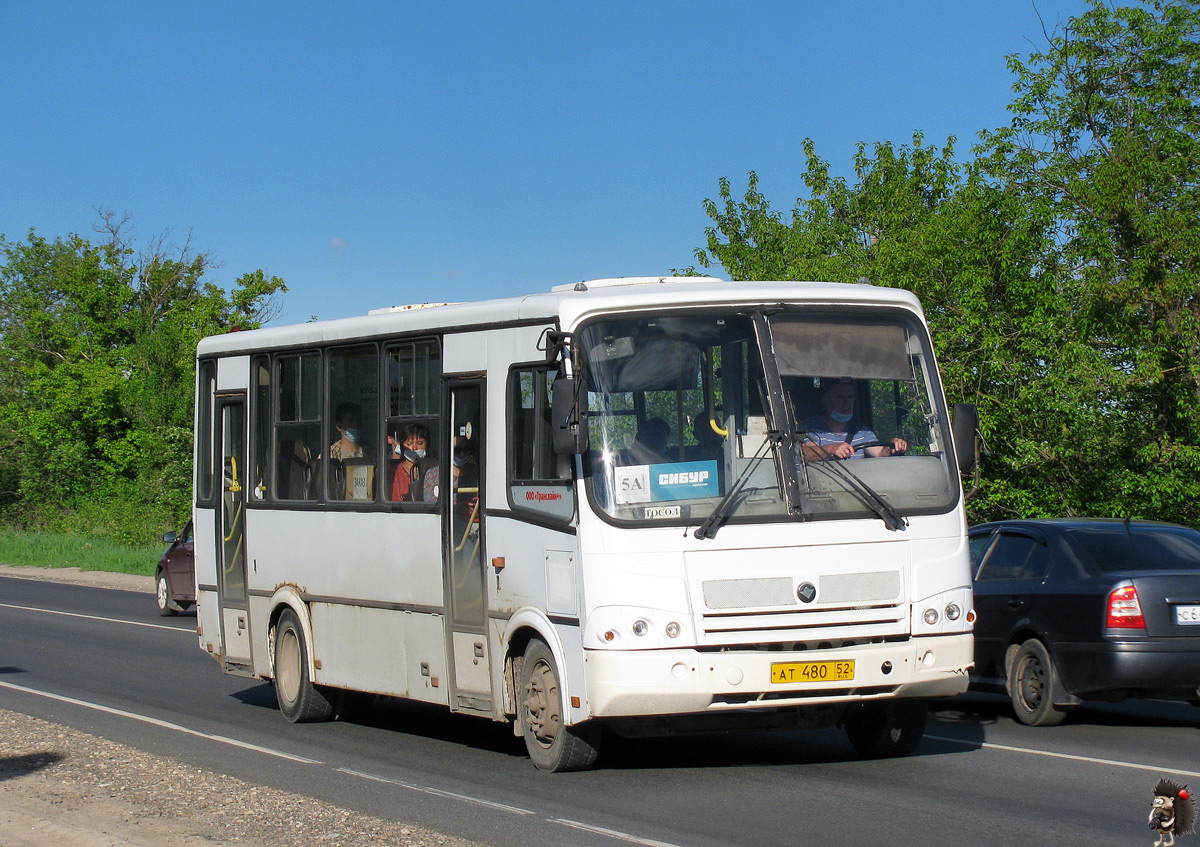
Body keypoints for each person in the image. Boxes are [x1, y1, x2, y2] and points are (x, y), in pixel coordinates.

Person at [798, 380, 907, 460]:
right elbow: (805, 453)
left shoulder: (861, 431)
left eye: (850, 397)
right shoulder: (809, 427)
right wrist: (831, 449)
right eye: (840, 397)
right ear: (827, 400)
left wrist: (893, 448)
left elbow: (879, 452)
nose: (846, 403)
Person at [387, 422, 435, 501]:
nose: (414, 448)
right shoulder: (393, 473)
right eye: (409, 444)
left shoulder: (435, 469)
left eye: (419, 443)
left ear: (427, 444)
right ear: (402, 446)